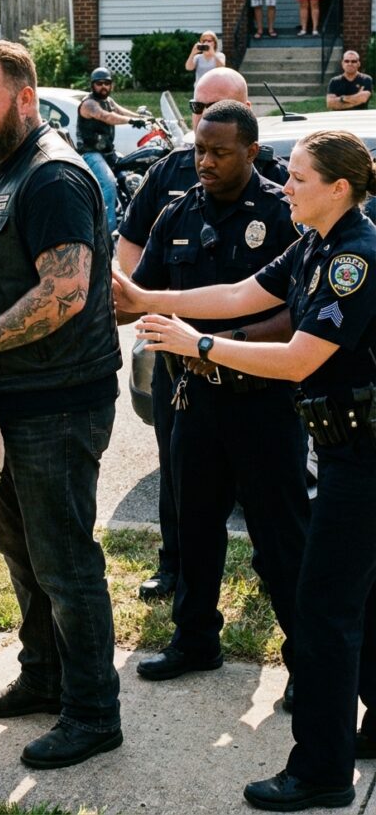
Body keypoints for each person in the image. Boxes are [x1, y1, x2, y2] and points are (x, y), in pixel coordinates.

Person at [114, 129, 376, 813]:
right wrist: (150, 302)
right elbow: (237, 293)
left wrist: (195, 343)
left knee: (322, 611)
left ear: (338, 188)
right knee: (348, 602)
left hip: (364, 457)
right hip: (347, 447)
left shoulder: (355, 256)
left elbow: (296, 358)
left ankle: (321, 770)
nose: (283, 185)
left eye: (296, 177)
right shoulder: (316, 242)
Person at [0, 40, 123, 771]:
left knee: (65, 561)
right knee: (21, 552)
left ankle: (94, 711)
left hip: (58, 403)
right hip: (9, 405)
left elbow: (67, 291)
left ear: (26, 98)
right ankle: (44, 675)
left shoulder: (53, 176)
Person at [118, 101, 308, 705]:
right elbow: (139, 299)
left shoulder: (282, 215)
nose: (204, 161)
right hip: (193, 398)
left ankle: (308, 663)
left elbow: (298, 311)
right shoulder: (176, 213)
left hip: (264, 404)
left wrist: (220, 346)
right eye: (200, 149)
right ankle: (195, 638)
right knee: (194, 526)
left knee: (280, 540)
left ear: (252, 152)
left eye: (219, 152)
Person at [76, 66, 148, 235]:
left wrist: (143, 119)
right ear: (92, 85)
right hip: (91, 153)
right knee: (108, 184)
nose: (103, 87)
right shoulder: (89, 104)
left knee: (129, 178)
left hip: (108, 153)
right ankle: (108, 232)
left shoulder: (109, 101)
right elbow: (106, 117)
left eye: (107, 83)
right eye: (99, 83)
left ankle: (131, 223)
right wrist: (131, 121)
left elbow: (120, 111)